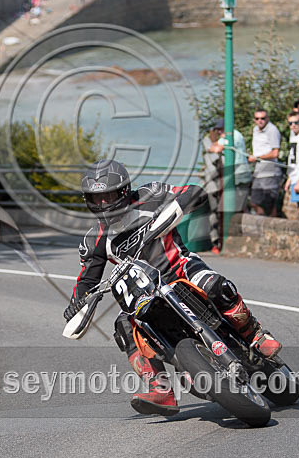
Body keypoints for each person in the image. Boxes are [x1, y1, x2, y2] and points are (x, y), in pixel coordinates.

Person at [63, 160, 282, 416]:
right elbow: (87, 280)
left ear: (123, 190)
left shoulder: (151, 194)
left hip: (181, 269)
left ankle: (255, 335)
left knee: (215, 285)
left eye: (108, 196)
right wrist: (77, 303)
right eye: (96, 198)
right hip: (144, 291)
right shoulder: (95, 239)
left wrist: (176, 209)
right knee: (124, 326)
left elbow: (194, 192)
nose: (103, 203)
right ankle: (160, 388)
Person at [248, 108, 282, 217]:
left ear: (267, 118)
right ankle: (262, 226)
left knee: (269, 205)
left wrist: (257, 157)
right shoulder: (255, 130)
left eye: (262, 118)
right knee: (254, 202)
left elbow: (275, 153)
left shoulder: (272, 130)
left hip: (270, 172)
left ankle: (272, 229)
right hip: (259, 172)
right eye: (257, 118)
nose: (260, 121)